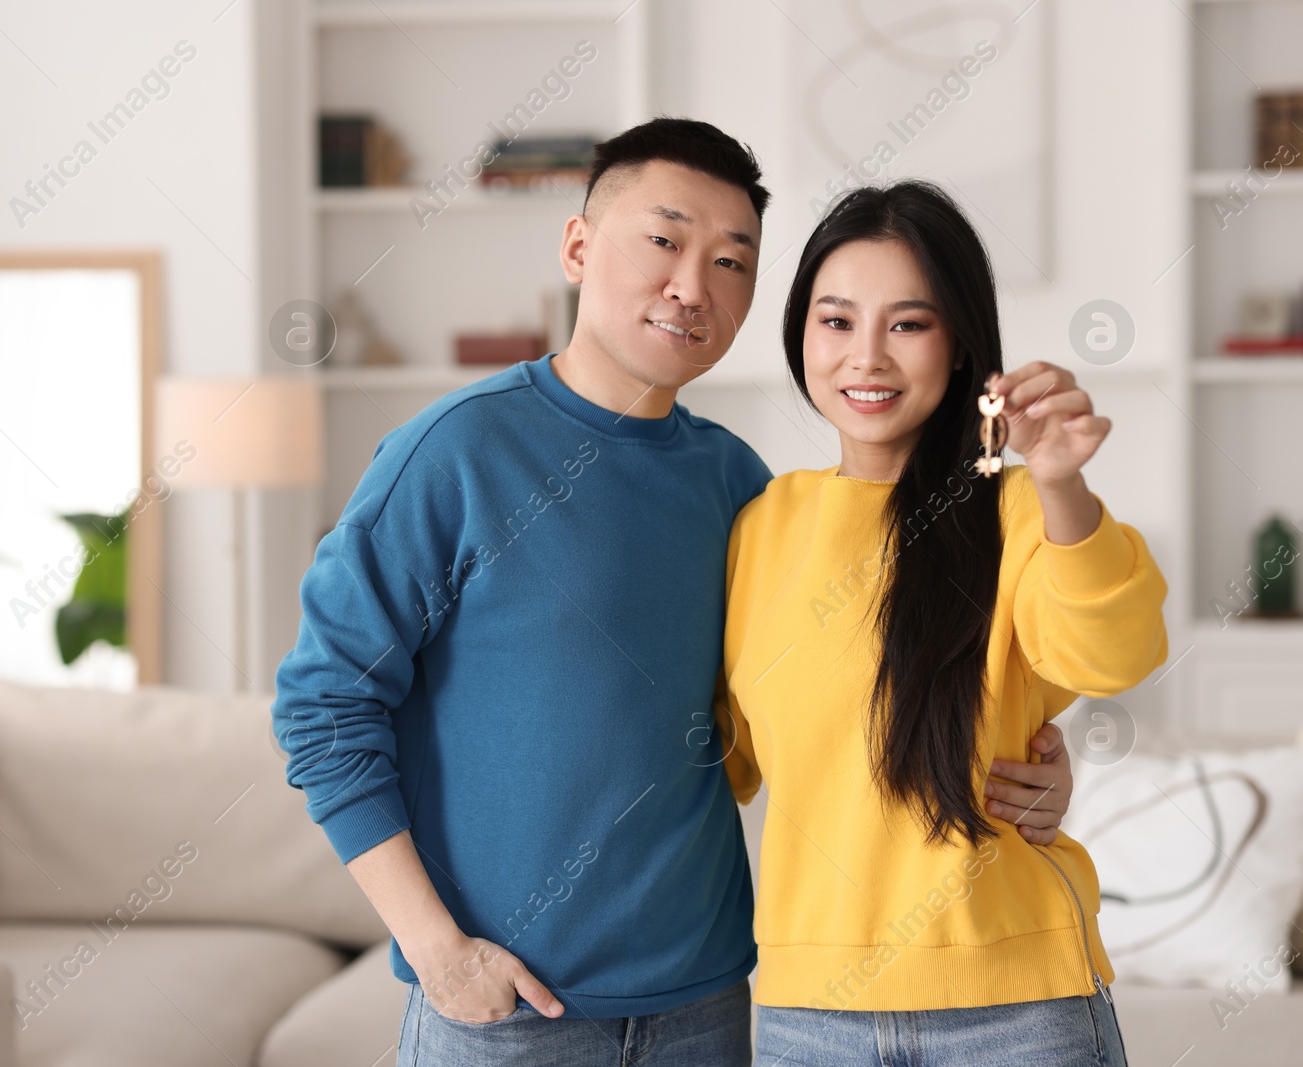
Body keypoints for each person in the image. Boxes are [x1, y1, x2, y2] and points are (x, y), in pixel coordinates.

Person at [273, 121, 1076, 1067]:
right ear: (578, 247)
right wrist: (437, 951)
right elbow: (324, 707)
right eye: (664, 241)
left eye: (733, 261)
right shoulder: (452, 455)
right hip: (504, 1011)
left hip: (711, 1008)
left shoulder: (742, 490)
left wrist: (1036, 761)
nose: (695, 286)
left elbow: (832, 698)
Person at [717, 180, 1166, 1066]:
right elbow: (722, 757)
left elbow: (1114, 652)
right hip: (811, 1014)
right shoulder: (761, 525)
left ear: (960, 344)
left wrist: (1063, 483)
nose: (867, 358)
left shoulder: (1019, 509)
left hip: (1019, 1007)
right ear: (801, 331)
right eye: (837, 321)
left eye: (909, 324)